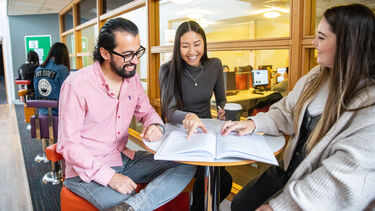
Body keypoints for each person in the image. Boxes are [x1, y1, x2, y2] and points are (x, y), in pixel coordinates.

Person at [221, 4, 375, 211]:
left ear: (349, 45)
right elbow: (286, 110)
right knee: (240, 204)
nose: (313, 42)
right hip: (288, 171)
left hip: (319, 192)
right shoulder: (315, 77)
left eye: (321, 37)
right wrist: (253, 123)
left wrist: (280, 207)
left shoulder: (369, 107)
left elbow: (337, 179)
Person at [57, 18, 196, 211]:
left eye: (138, 52)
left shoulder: (132, 80)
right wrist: (110, 177)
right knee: (127, 195)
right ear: (105, 52)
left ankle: (132, 208)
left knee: (186, 164)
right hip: (84, 171)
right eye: (128, 54)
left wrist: (155, 125)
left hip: (121, 157)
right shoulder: (76, 85)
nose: (135, 61)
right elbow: (69, 145)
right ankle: (134, 205)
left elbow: (146, 111)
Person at [159, 20, 232, 211]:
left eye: (197, 44)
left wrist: (223, 110)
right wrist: (189, 117)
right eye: (185, 46)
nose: (192, 51)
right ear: (178, 47)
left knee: (222, 180)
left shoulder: (214, 65)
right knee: (207, 178)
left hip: (208, 131)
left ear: (204, 44)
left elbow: (222, 99)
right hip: (182, 132)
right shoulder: (168, 70)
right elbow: (170, 110)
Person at [33, 42, 70, 115]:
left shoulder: (38, 69)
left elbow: (36, 90)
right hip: (57, 113)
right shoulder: (62, 69)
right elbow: (67, 93)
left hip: (40, 113)